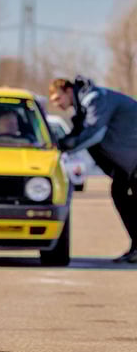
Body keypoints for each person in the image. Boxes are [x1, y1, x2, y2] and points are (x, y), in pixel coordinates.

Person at [49, 76, 137, 263]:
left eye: (58, 99)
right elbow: (80, 131)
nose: (57, 105)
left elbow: (94, 133)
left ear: (67, 90)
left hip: (134, 161)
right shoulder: (84, 107)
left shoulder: (95, 99)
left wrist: (66, 147)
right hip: (127, 165)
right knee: (120, 194)